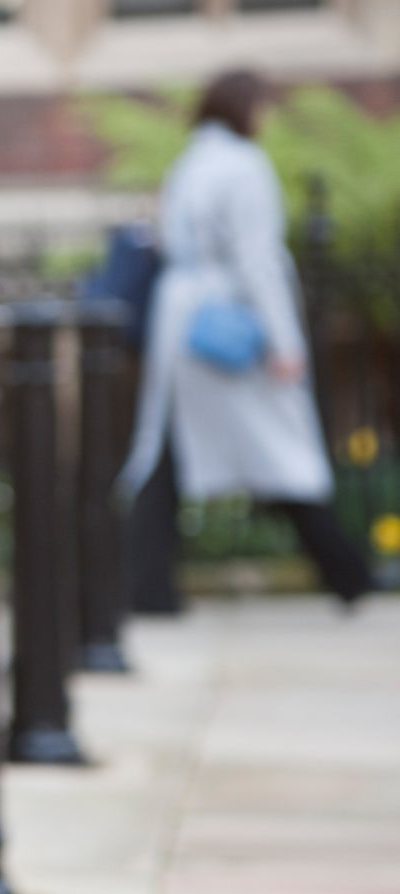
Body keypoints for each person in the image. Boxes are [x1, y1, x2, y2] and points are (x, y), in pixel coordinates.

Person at [118, 69, 374, 607]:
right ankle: (347, 572)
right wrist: (285, 343)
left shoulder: (191, 161)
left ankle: (147, 585)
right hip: (231, 324)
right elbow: (258, 262)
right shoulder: (243, 166)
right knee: (280, 453)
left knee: (174, 449)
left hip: (183, 318)